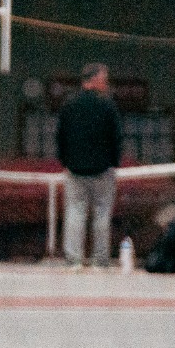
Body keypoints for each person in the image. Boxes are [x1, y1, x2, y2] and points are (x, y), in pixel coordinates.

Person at [56, 63, 123, 268]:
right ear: (94, 79)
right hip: (102, 170)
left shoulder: (69, 105)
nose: (106, 82)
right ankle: (100, 259)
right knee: (102, 215)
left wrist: (66, 161)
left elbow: (60, 137)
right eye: (104, 78)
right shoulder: (108, 106)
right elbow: (116, 138)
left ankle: (74, 259)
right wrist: (113, 162)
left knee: (75, 213)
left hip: (75, 169)